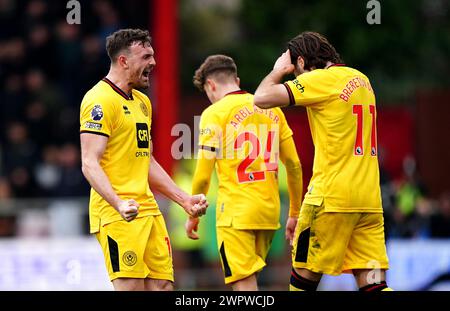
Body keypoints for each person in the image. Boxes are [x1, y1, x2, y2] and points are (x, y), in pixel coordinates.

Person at [253, 31, 392, 291]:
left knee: (301, 284)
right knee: (374, 286)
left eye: (296, 71)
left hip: (330, 199)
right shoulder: (362, 79)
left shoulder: (320, 80)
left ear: (303, 62)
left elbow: (261, 98)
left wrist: (277, 71)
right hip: (368, 202)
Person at [79, 29, 208, 291]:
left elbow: (146, 161)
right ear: (124, 61)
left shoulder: (142, 102)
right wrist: (118, 203)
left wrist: (184, 200)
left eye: (154, 55)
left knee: (163, 286)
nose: (153, 63)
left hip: (148, 210)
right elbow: (89, 162)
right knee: (132, 287)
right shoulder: (99, 100)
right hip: (117, 215)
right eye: (146, 56)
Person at [185, 55, 303, 290]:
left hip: (235, 215)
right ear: (236, 80)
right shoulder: (272, 109)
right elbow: (294, 165)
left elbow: (202, 175)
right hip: (269, 214)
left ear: (211, 85)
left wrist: (193, 214)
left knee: (243, 285)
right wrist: (294, 212)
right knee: (253, 281)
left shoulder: (214, 113)